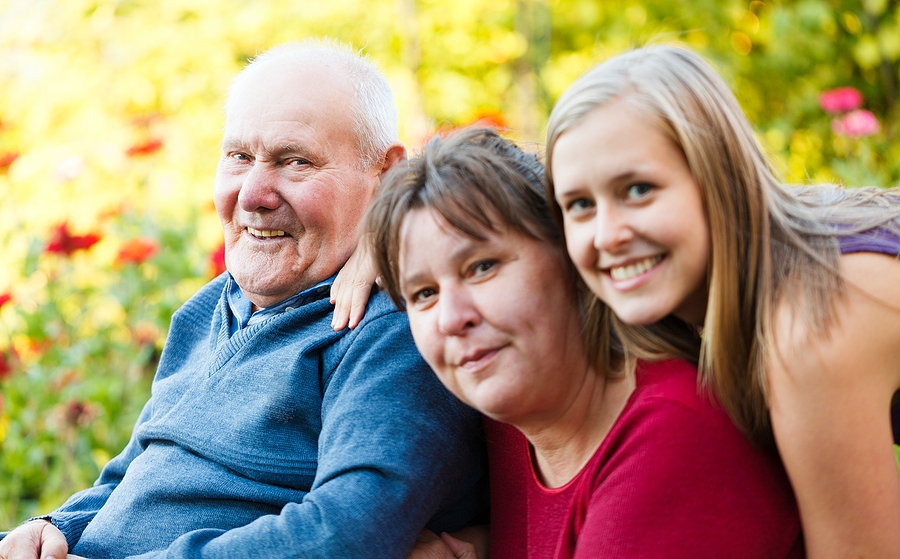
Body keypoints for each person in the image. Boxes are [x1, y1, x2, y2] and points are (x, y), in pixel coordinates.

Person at [0, 39, 487, 559]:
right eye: (238, 156)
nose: (252, 193)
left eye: (295, 161)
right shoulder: (211, 307)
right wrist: (51, 527)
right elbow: (131, 476)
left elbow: (346, 532)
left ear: (386, 175)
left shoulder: (389, 326)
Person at [363, 127, 802, 558]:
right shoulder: (517, 415)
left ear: (571, 257)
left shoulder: (669, 434)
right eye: (423, 293)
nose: (452, 318)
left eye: (482, 267)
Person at [545, 43, 900, 557]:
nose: (607, 234)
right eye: (579, 204)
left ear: (718, 177)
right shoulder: (767, 271)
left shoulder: (810, 325)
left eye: (639, 189)